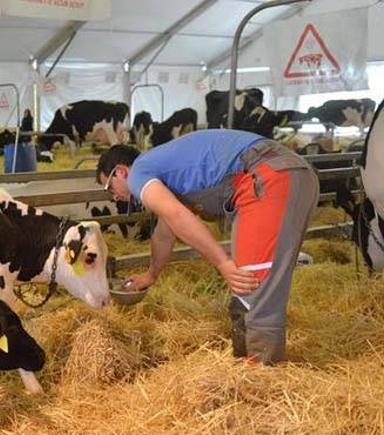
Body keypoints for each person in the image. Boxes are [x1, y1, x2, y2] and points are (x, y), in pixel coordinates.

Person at [97, 129, 319, 364]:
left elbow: (177, 214)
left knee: (252, 286)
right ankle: (249, 363)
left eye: (109, 188)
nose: (114, 198)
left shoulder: (138, 173)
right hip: (290, 174)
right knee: (253, 285)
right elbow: (165, 233)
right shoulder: (163, 169)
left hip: (267, 177)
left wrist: (223, 263)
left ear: (120, 172)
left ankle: (262, 379)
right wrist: (151, 275)